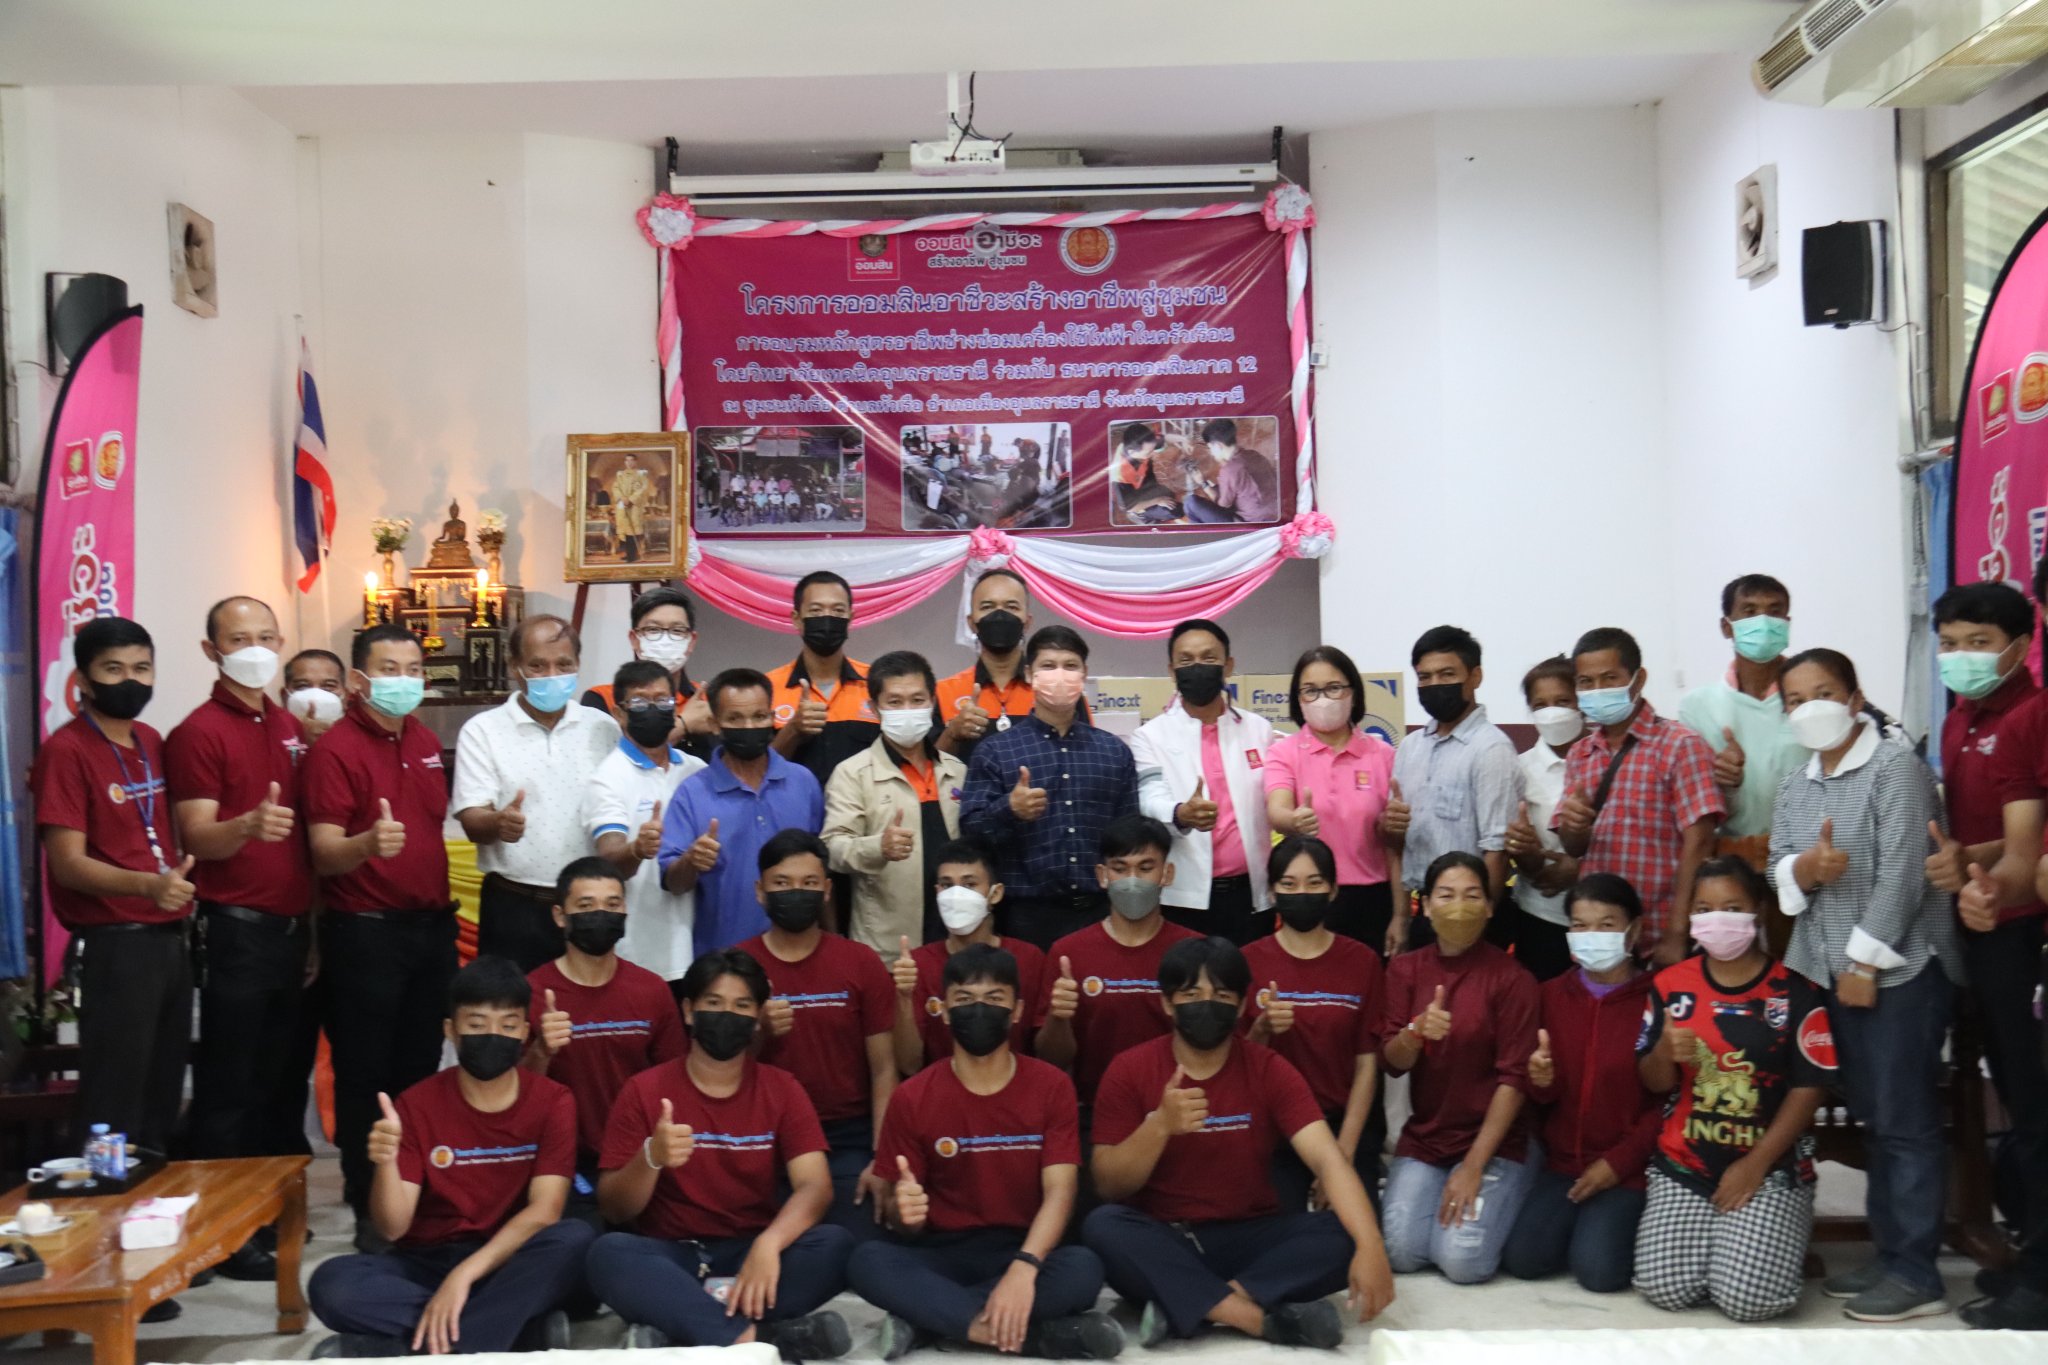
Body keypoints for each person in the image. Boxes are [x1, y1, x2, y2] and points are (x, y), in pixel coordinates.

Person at [1767, 647, 1960, 1322]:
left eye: (1823, 692)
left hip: (1895, 970)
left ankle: (1917, 1272)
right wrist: (1807, 869)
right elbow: (1779, 867)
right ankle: (1891, 1251)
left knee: (1904, 1120)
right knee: (1875, 1118)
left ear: (1854, 699)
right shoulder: (1797, 783)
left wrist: (1863, 965)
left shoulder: (1895, 769)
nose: (1809, 708)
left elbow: (1905, 873)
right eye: (1795, 700)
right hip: (1826, 970)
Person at [1083, 937, 1395, 1349]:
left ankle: (1193, 1304)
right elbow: (1108, 1184)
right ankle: (1256, 1319)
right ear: (1167, 1004)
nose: (1206, 1004)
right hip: (1166, 1235)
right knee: (1102, 1226)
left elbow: (1327, 1160)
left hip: (1249, 1234)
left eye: (1222, 995)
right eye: (1191, 994)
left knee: (1348, 1230)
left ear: (1243, 1004)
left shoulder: (1270, 1068)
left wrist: (1372, 1245)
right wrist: (1158, 1127)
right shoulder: (1130, 1069)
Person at [307, 957, 594, 1357]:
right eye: (476, 1024)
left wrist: (463, 1277)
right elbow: (392, 1228)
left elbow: (545, 1211)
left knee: (575, 1238)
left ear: (524, 1031)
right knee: (332, 1284)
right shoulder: (416, 1104)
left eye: (508, 1025)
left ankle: (427, 1345)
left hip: (508, 1257)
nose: (493, 1035)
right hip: (428, 1261)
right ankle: (511, 1334)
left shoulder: (554, 1101)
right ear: (450, 1030)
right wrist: (386, 1163)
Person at [850, 944, 1120, 1361]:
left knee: (1084, 1268)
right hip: (943, 1252)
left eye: (994, 998)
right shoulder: (912, 1096)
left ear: (1017, 1011)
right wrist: (907, 1216)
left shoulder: (1052, 1086)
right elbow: (904, 1224)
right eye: (964, 999)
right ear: (943, 1010)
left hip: (1024, 1245)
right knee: (867, 1260)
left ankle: (935, 1320)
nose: (979, 1009)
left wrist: (1024, 1266)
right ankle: (1030, 1338)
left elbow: (1061, 1192)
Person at [585, 949, 854, 1358]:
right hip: (674, 1257)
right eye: (713, 1002)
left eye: (741, 1005)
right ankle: (759, 1337)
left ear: (758, 1017)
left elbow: (815, 1186)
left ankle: (685, 1325)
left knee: (836, 1244)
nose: (727, 1014)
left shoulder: (783, 1088)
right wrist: (652, 1157)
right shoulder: (643, 1089)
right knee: (608, 1255)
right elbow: (615, 1208)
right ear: (689, 1011)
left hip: (753, 1253)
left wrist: (769, 1244)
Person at [165, 596, 315, 1280]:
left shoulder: (285, 723)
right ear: (211, 650)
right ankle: (217, 1233)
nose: (255, 649)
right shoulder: (198, 731)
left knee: (279, 1085)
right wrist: (246, 826)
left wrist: (313, 929)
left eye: (265, 637)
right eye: (238, 638)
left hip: (292, 929)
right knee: (230, 1087)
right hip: (234, 930)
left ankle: (263, 1213)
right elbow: (197, 833)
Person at [305, 623, 457, 1251]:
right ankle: (368, 1199)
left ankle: (411, 1190)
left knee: (420, 1069)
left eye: (414, 669)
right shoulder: (335, 750)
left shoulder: (422, 738)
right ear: (359, 680)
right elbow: (322, 851)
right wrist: (366, 844)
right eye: (389, 670)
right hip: (366, 933)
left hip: (431, 929)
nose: (404, 681)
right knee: (366, 1074)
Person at [1633, 857, 1834, 1322]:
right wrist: (1663, 1051)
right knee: (1665, 1287)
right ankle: (1738, 1242)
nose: (1716, 919)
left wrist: (1753, 1166)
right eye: (1703, 909)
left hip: (1768, 1168)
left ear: (1758, 911)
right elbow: (1654, 1082)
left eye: (1732, 907)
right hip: (1686, 1165)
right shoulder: (1669, 985)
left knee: (1748, 1301)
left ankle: (1774, 1232)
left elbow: (1811, 1086)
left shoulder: (1795, 990)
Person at [31, 618, 194, 1160]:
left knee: (161, 1093)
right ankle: (100, 1203)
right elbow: (68, 864)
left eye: (142, 668)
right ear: (83, 680)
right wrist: (148, 885)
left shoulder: (151, 740)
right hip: (115, 944)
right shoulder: (67, 750)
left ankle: (153, 1202)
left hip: (169, 938)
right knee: (114, 1098)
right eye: (114, 669)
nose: (131, 680)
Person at [1377, 852, 1540, 1284]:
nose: (1459, 907)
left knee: (1462, 1261)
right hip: (1428, 1138)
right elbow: (1392, 1063)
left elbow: (1514, 1080)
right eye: (1446, 896)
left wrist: (1472, 1166)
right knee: (1399, 1251)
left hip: (1495, 1143)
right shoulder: (1405, 969)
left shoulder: (1512, 979)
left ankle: (1515, 1186)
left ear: (1489, 907)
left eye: (1472, 895)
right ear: (1426, 906)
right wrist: (1414, 1033)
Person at [1958, 564, 2048, 1330]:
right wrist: (1982, 878)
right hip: (2002, 930)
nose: (1962, 656)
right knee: (2024, 1100)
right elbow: (2019, 851)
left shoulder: (2025, 715)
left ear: (2020, 642)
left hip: (2025, 933)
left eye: (1977, 641)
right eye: (1950, 642)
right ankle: (2033, 1254)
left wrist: (1991, 876)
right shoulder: (1975, 716)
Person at [1500, 874, 1660, 1293]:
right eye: (1580, 925)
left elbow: (1669, 1101)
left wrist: (1618, 1164)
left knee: (1598, 1273)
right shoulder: (1550, 995)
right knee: (1524, 1259)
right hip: (1563, 1165)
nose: (1592, 936)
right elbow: (1542, 1097)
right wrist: (1541, 1081)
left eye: (1607, 925)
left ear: (1634, 931)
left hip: (1628, 1167)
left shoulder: (1657, 999)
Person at [737, 830, 898, 1236]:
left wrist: (881, 1158)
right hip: (759, 1136)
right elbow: (717, 1068)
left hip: (846, 1137)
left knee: (854, 1238)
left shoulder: (860, 961)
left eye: (808, 883)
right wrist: (759, 1033)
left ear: (827, 891)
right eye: (782, 883)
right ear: (760, 891)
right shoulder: (735, 967)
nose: (796, 892)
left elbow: (884, 1069)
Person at [453, 615, 621, 972]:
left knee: (587, 1001)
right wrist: (498, 822)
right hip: (515, 904)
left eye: (564, 665)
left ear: (578, 664)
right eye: (537, 666)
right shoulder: (482, 731)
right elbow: (472, 819)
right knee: (512, 1002)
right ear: (514, 666)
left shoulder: (604, 728)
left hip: (589, 905)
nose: (552, 675)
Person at [1554, 627, 1724, 967]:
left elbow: (1700, 843)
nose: (1598, 690)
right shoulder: (1580, 754)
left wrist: (1678, 931)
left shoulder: (1680, 745)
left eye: (1609, 678)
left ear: (1638, 679)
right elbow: (1574, 848)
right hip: (1600, 937)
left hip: (1660, 930)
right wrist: (1574, 826)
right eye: (1586, 682)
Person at [960, 626, 1139, 949]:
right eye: (1048, 665)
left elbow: (1129, 835)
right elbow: (970, 831)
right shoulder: (996, 750)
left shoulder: (1114, 752)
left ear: (1084, 674)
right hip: (1023, 915)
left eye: (1070, 666)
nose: (1060, 675)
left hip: (1101, 912)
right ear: (1030, 674)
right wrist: (1009, 809)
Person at [523, 857, 686, 1190]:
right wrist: (541, 1051)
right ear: (560, 915)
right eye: (586, 905)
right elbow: (512, 1094)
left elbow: (676, 1079)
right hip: (561, 1165)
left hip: (641, 1158)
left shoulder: (652, 989)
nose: (601, 914)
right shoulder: (532, 992)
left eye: (612, 905)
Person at [1242, 837, 1384, 1214]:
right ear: (1272, 892)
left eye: (1314, 882)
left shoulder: (1363, 961)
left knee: (1352, 1231)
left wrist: (1343, 1155)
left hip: (1342, 1126)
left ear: (1333, 890)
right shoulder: (1247, 961)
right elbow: (1236, 1062)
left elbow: (1367, 1063)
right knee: (1280, 1231)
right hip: (1274, 1132)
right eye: (1288, 884)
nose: (1301, 893)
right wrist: (1263, 1028)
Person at [1035, 815, 1199, 1111]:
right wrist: (1058, 1018)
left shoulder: (1195, 951)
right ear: (1102, 875)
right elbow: (1051, 1059)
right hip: (1096, 1110)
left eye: (1145, 868)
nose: (1132, 880)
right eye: (1120, 869)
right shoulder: (1068, 953)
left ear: (1167, 873)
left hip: (1182, 1108)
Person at [658, 668, 824, 955]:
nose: (749, 726)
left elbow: (821, 865)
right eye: (735, 718)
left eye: (759, 716)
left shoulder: (803, 782)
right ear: (714, 724)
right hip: (723, 957)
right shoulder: (692, 792)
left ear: (773, 717)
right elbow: (674, 883)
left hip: (801, 953)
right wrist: (691, 861)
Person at [1130, 619, 1274, 945]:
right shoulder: (1150, 736)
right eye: (1186, 660)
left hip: (1252, 894)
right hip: (1185, 898)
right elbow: (1149, 797)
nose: (1197, 667)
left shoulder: (1259, 730)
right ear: (1172, 670)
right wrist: (1180, 813)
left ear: (1228, 665)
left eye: (1209, 658)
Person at [1382, 626, 1520, 957]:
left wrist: (1474, 926)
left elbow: (1496, 851)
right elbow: (1397, 844)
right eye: (1424, 677)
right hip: (1421, 913)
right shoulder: (1410, 747)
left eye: (1447, 674)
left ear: (1475, 677)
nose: (1434, 685)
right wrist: (1401, 916)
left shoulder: (1491, 749)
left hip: (1467, 918)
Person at [823, 650, 965, 952]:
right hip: (886, 942)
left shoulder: (956, 771)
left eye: (917, 700)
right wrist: (878, 847)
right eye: (895, 702)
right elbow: (832, 848)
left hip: (955, 936)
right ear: (875, 708)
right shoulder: (852, 773)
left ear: (932, 702)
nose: (908, 710)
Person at [1264, 645, 1401, 951]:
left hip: (1372, 898)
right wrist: (1294, 821)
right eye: (1310, 690)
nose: (1323, 699)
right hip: (1309, 896)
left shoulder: (1383, 755)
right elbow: (1277, 810)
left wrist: (1401, 916)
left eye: (1334, 688)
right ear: (1298, 699)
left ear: (1353, 693)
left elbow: (1395, 846)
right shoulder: (1283, 753)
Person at [584, 660, 708, 984]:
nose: (653, 710)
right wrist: (637, 849)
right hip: (641, 951)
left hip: (699, 944)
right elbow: (609, 860)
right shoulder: (608, 778)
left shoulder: (697, 770)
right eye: (640, 702)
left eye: (663, 701)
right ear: (619, 713)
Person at [1679, 575, 1805, 870]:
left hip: (1806, 859)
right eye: (1749, 611)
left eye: (1774, 611)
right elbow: (1694, 807)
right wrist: (1726, 785)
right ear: (1727, 627)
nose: (1763, 622)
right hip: (1735, 862)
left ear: (1787, 623)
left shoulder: (1810, 696)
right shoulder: (1698, 707)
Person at [890, 839, 1048, 1074]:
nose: (956, 895)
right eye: (947, 885)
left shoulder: (1029, 959)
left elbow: (1050, 1055)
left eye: (969, 884)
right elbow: (909, 1064)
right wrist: (903, 998)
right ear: (937, 892)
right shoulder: (916, 965)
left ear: (995, 893)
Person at [1500, 657, 1587, 981]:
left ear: (1581, 703)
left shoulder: (1607, 760)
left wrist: (1580, 868)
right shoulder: (1519, 768)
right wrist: (1527, 855)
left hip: (1604, 915)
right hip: (1540, 914)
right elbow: (1513, 846)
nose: (1552, 712)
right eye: (1541, 705)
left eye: (1563, 701)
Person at [936, 568, 1074, 762]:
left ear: (1027, 622)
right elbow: (926, 771)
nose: (999, 615)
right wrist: (952, 734)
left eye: (1011, 606)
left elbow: (1087, 758)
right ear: (971, 623)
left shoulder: (1059, 690)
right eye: (987, 606)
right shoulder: (943, 693)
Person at [579, 586, 717, 764]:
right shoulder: (602, 698)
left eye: (677, 631)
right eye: (653, 630)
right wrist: (683, 725)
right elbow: (606, 763)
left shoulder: (706, 700)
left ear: (691, 641)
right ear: (634, 639)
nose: (665, 640)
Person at [769, 571, 879, 788]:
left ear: (850, 618)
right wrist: (792, 731)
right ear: (796, 619)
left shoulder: (876, 683)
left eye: (838, 610)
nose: (827, 619)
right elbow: (756, 771)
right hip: (794, 808)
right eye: (816, 611)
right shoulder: (768, 688)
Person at [1183, 419, 1279, 525]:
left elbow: (1223, 506)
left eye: (1210, 448)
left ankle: (1213, 534)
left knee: (1190, 503)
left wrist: (1203, 483)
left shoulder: (1230, 470)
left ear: (1218, 446)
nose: (1211, 452)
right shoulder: (1254, 454)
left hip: (1252, 523)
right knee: (1220, 488)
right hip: (1274, 514)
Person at [283, 647, 348, 742]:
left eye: (328, 686)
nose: (316, 697)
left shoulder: (359, 738)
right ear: (284, 696)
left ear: (346, 697)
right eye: (302, 686)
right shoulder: (270, 736)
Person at [610, 452, 655, 563]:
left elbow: (643, 489)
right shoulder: (620, 475)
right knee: (624, 530)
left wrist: (630, 499)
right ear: (625, 462)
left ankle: (633, 555)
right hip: (622, 505)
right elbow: (615, 488)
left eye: (631, 460)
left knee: (632, 530)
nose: (629, 463)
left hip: (634, 506)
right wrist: (622, 498)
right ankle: (628, 554)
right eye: (627, 460)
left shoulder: (641, 475)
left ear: (635, 462)